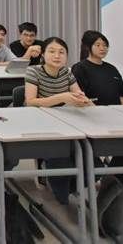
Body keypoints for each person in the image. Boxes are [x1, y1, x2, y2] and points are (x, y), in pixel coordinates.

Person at [24, 37, 93, 205]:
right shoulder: (33, 71)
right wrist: (62, 97)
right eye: (52, 51)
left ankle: (73, 188)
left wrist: (84, 101)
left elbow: (77, 94)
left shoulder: (67, 72)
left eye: (62, 52)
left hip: (65, 123)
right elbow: (31, 101)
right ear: (43, 54)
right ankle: (62, 195)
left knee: (92, 159)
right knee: (61, 160)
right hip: (40, 125)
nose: (57, 56)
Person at [72, 30, 123, 106]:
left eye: (105, 45)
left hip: (116, 111)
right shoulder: (79, 68)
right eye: (98, 45)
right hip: (91, 111)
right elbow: (80, 97)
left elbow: (122, 96)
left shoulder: (112, 69)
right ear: (88, 47)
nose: (102, 48)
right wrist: (96, 110)